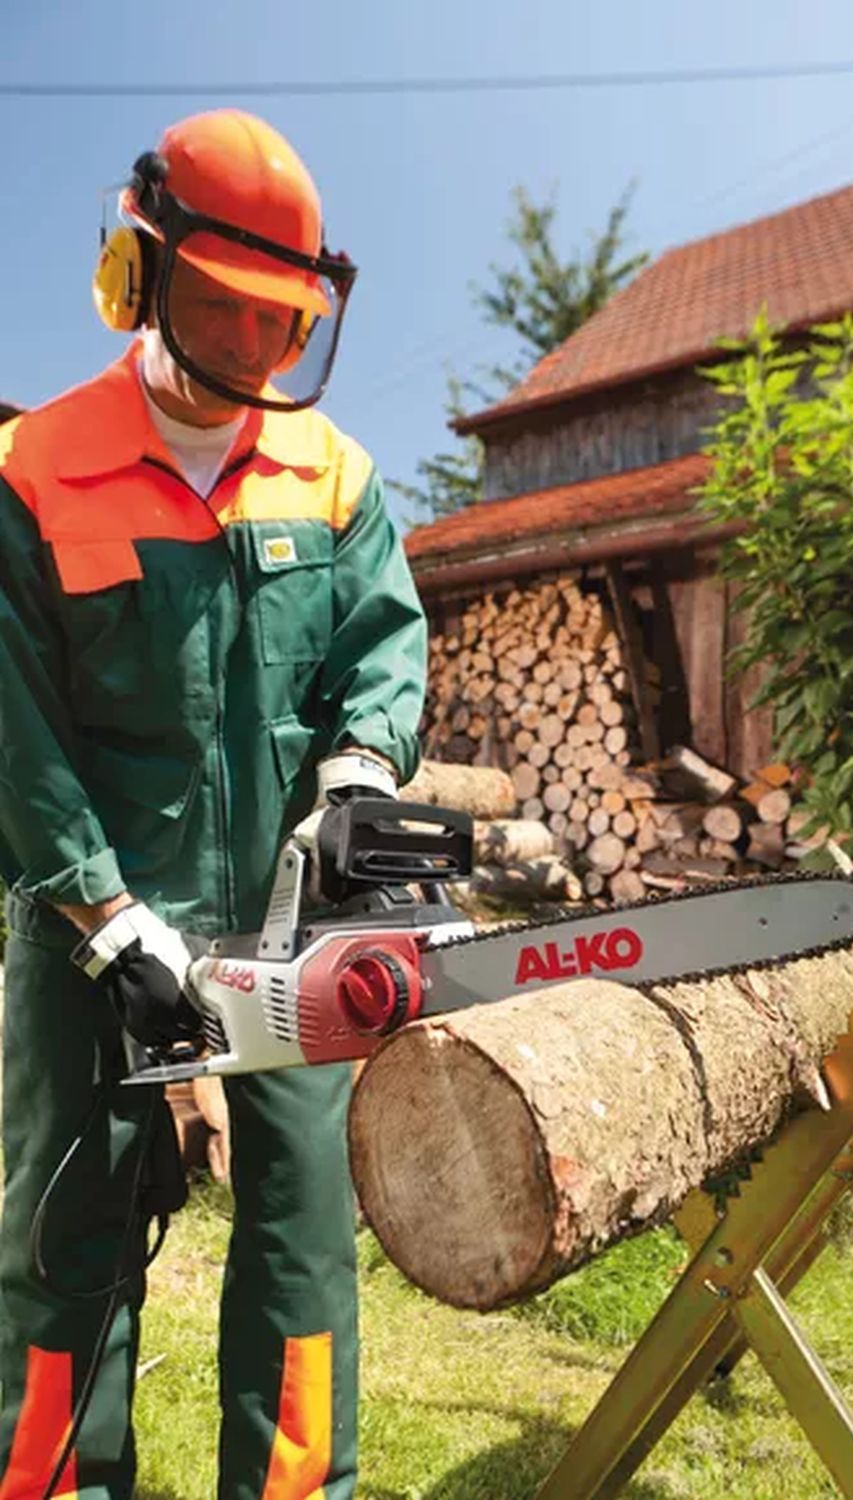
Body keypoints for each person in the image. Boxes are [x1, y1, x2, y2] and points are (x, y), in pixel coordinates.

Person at [0, 109, 426, 1499]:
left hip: (287, 936)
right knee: (65, 1253)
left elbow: (381, 649)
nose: (252, 348)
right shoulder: (34, 469)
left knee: (302, 1250)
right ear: (138, 273)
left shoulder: (337, 477)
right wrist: (107, 919)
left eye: (279, 321)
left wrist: (360, 773)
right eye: (223, 308)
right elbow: (15, 730)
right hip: (90, 937)